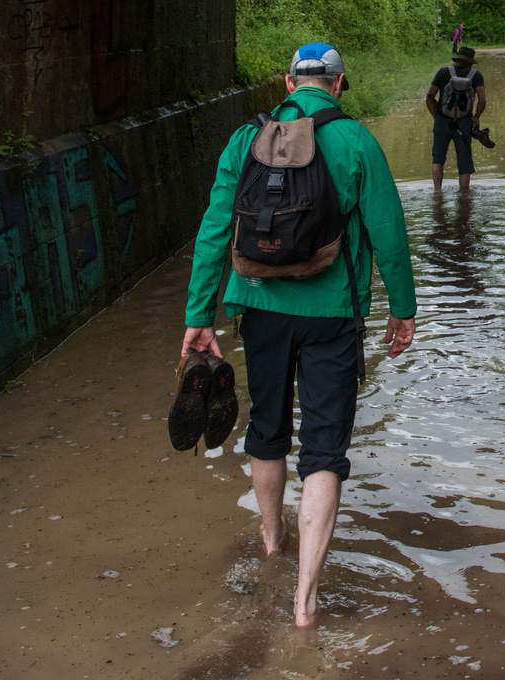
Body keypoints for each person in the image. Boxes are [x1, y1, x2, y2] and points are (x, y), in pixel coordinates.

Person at [182, 42, 417, 627]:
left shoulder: (246, 140)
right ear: (339, 85)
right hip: (332, 313)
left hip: (257, 307)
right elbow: (388, 230)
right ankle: (305, 600)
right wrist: (403, 309)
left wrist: (198, 316)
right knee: (325, 451)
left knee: (266, 428)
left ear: (288, 82)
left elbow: (216, 229)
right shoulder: (357, 140)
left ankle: (270, 539)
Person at [427, 45, 486, 190]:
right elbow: (482, 101)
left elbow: (429, 98)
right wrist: (477, 117)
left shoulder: (443, 72)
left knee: (438, 160)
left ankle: (437, 194)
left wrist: (437, 118)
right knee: (464, 163)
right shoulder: (476, 76)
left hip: (442, 121)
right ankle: (464, 197)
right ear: (470, 62)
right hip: (464, 124)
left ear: (457, 60)